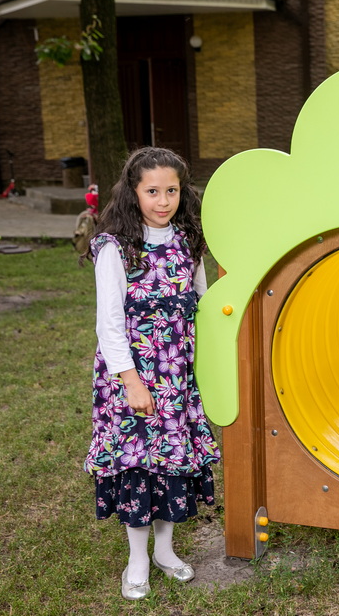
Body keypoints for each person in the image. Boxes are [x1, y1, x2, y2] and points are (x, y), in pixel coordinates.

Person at [81, 147, 220, 600]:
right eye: (153, 191)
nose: (163, 201)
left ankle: (165, 551)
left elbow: (202, 305)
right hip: (133, 377)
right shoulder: (116, 248)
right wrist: (132, 382)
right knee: (138, 463)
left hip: (177, 375)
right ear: (133, 192)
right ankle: (137, 559)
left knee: (171, 459)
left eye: (172, 191)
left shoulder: (187, 242)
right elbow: (109, 324)